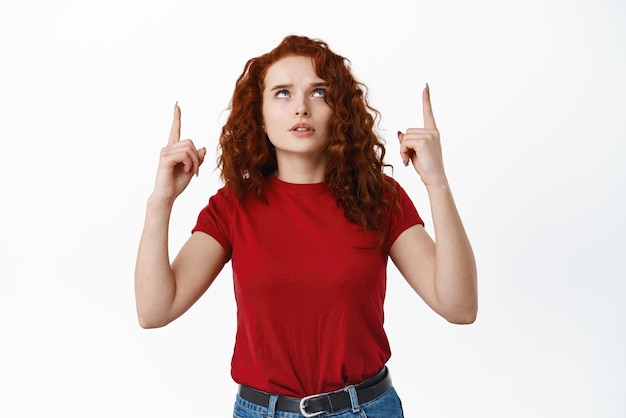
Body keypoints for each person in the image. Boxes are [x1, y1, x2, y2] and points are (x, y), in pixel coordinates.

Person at [135, 35, 477, 418]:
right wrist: (159, 202)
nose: (300, 107)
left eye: (318, 92)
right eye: (282, 93)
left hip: (364, 409)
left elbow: (459, 306)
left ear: (340, 109)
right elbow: (154, 310)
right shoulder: (234, 206)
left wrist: (437, 184)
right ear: (259, 114)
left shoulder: (378, 197)